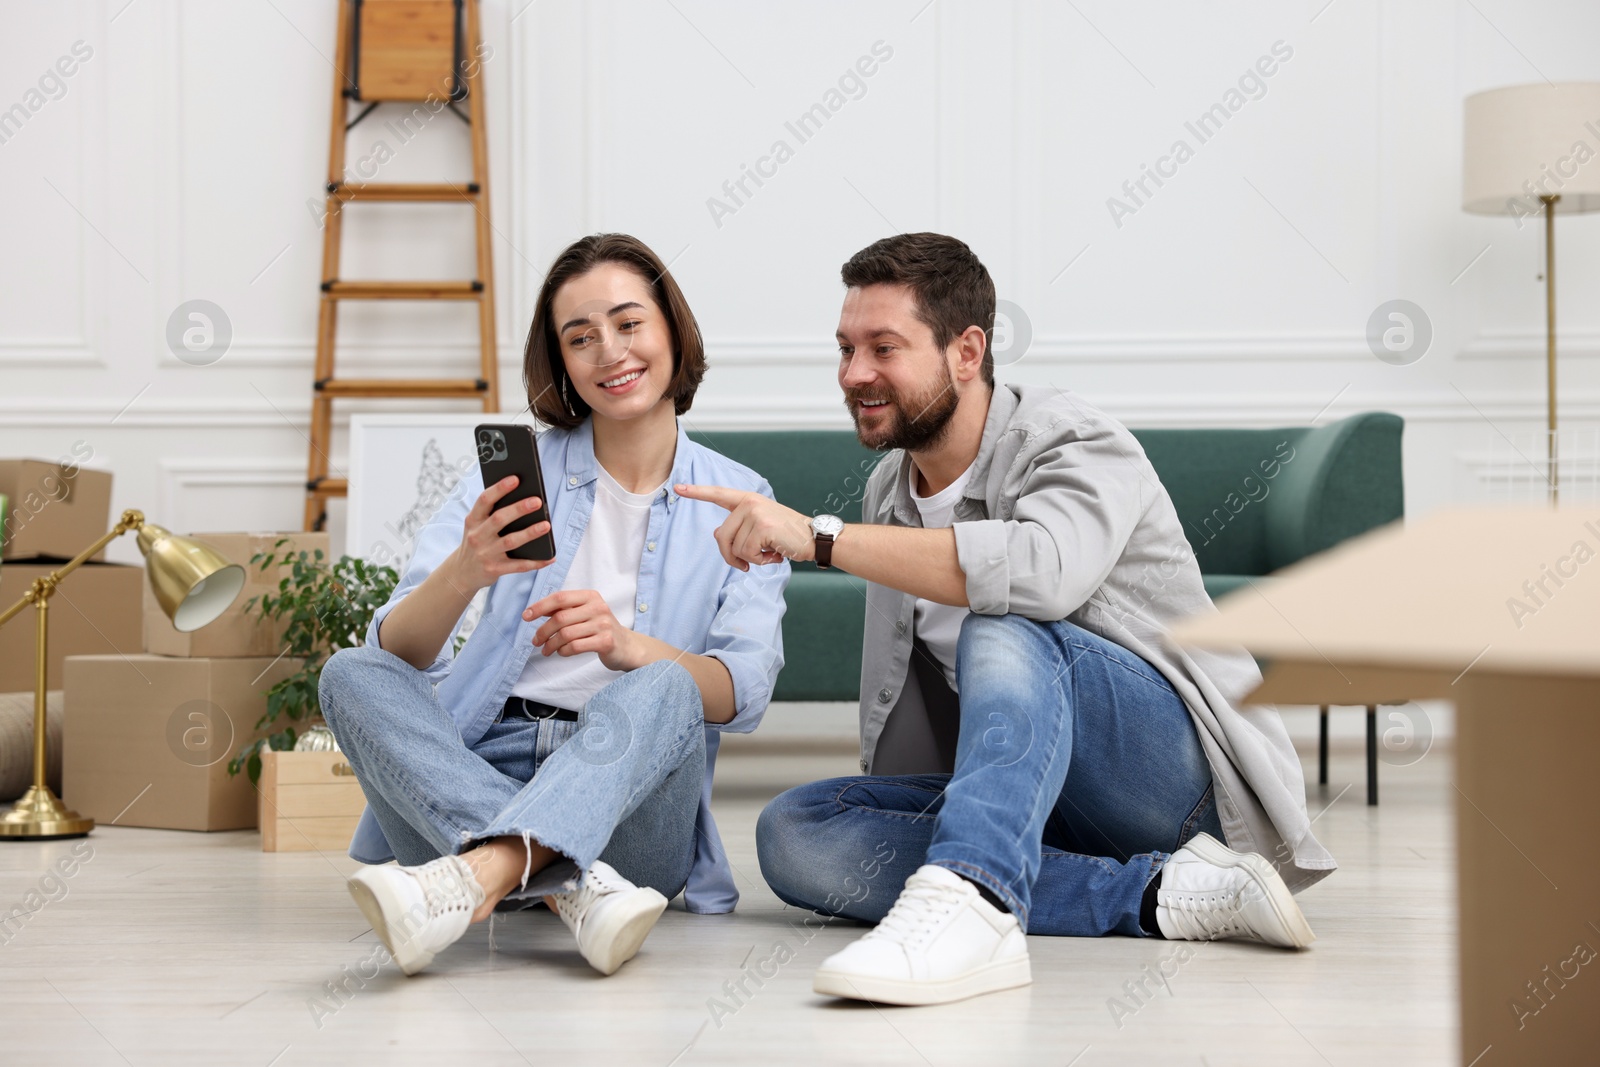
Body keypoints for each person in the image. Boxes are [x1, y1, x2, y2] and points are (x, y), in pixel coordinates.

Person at [675, 232, 1332, 1007]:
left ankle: (975, 901)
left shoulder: (1074, 438)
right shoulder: (889, 491)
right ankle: (1155, 894)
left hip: (1177, 789)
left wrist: (821, 539)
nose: (855, 374)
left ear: (966, 350)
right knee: (796, 832)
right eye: (846, 348)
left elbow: (1041, 575)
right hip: (1039, 800)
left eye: (884, 347)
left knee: (1005, 619)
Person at [317, 233, 787, 978]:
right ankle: (570, 884)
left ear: (672, 328)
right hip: (478, 762)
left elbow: (742, 693)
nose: (610, 351)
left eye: (629, 323)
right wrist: (466, 569)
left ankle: (474, 874)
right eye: (581, 337)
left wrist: (628, 646)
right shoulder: (510, 476)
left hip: (629, 798)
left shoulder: (742, 499)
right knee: (349, 671)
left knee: (664, 682)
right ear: (562, 361)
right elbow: (398, 653)